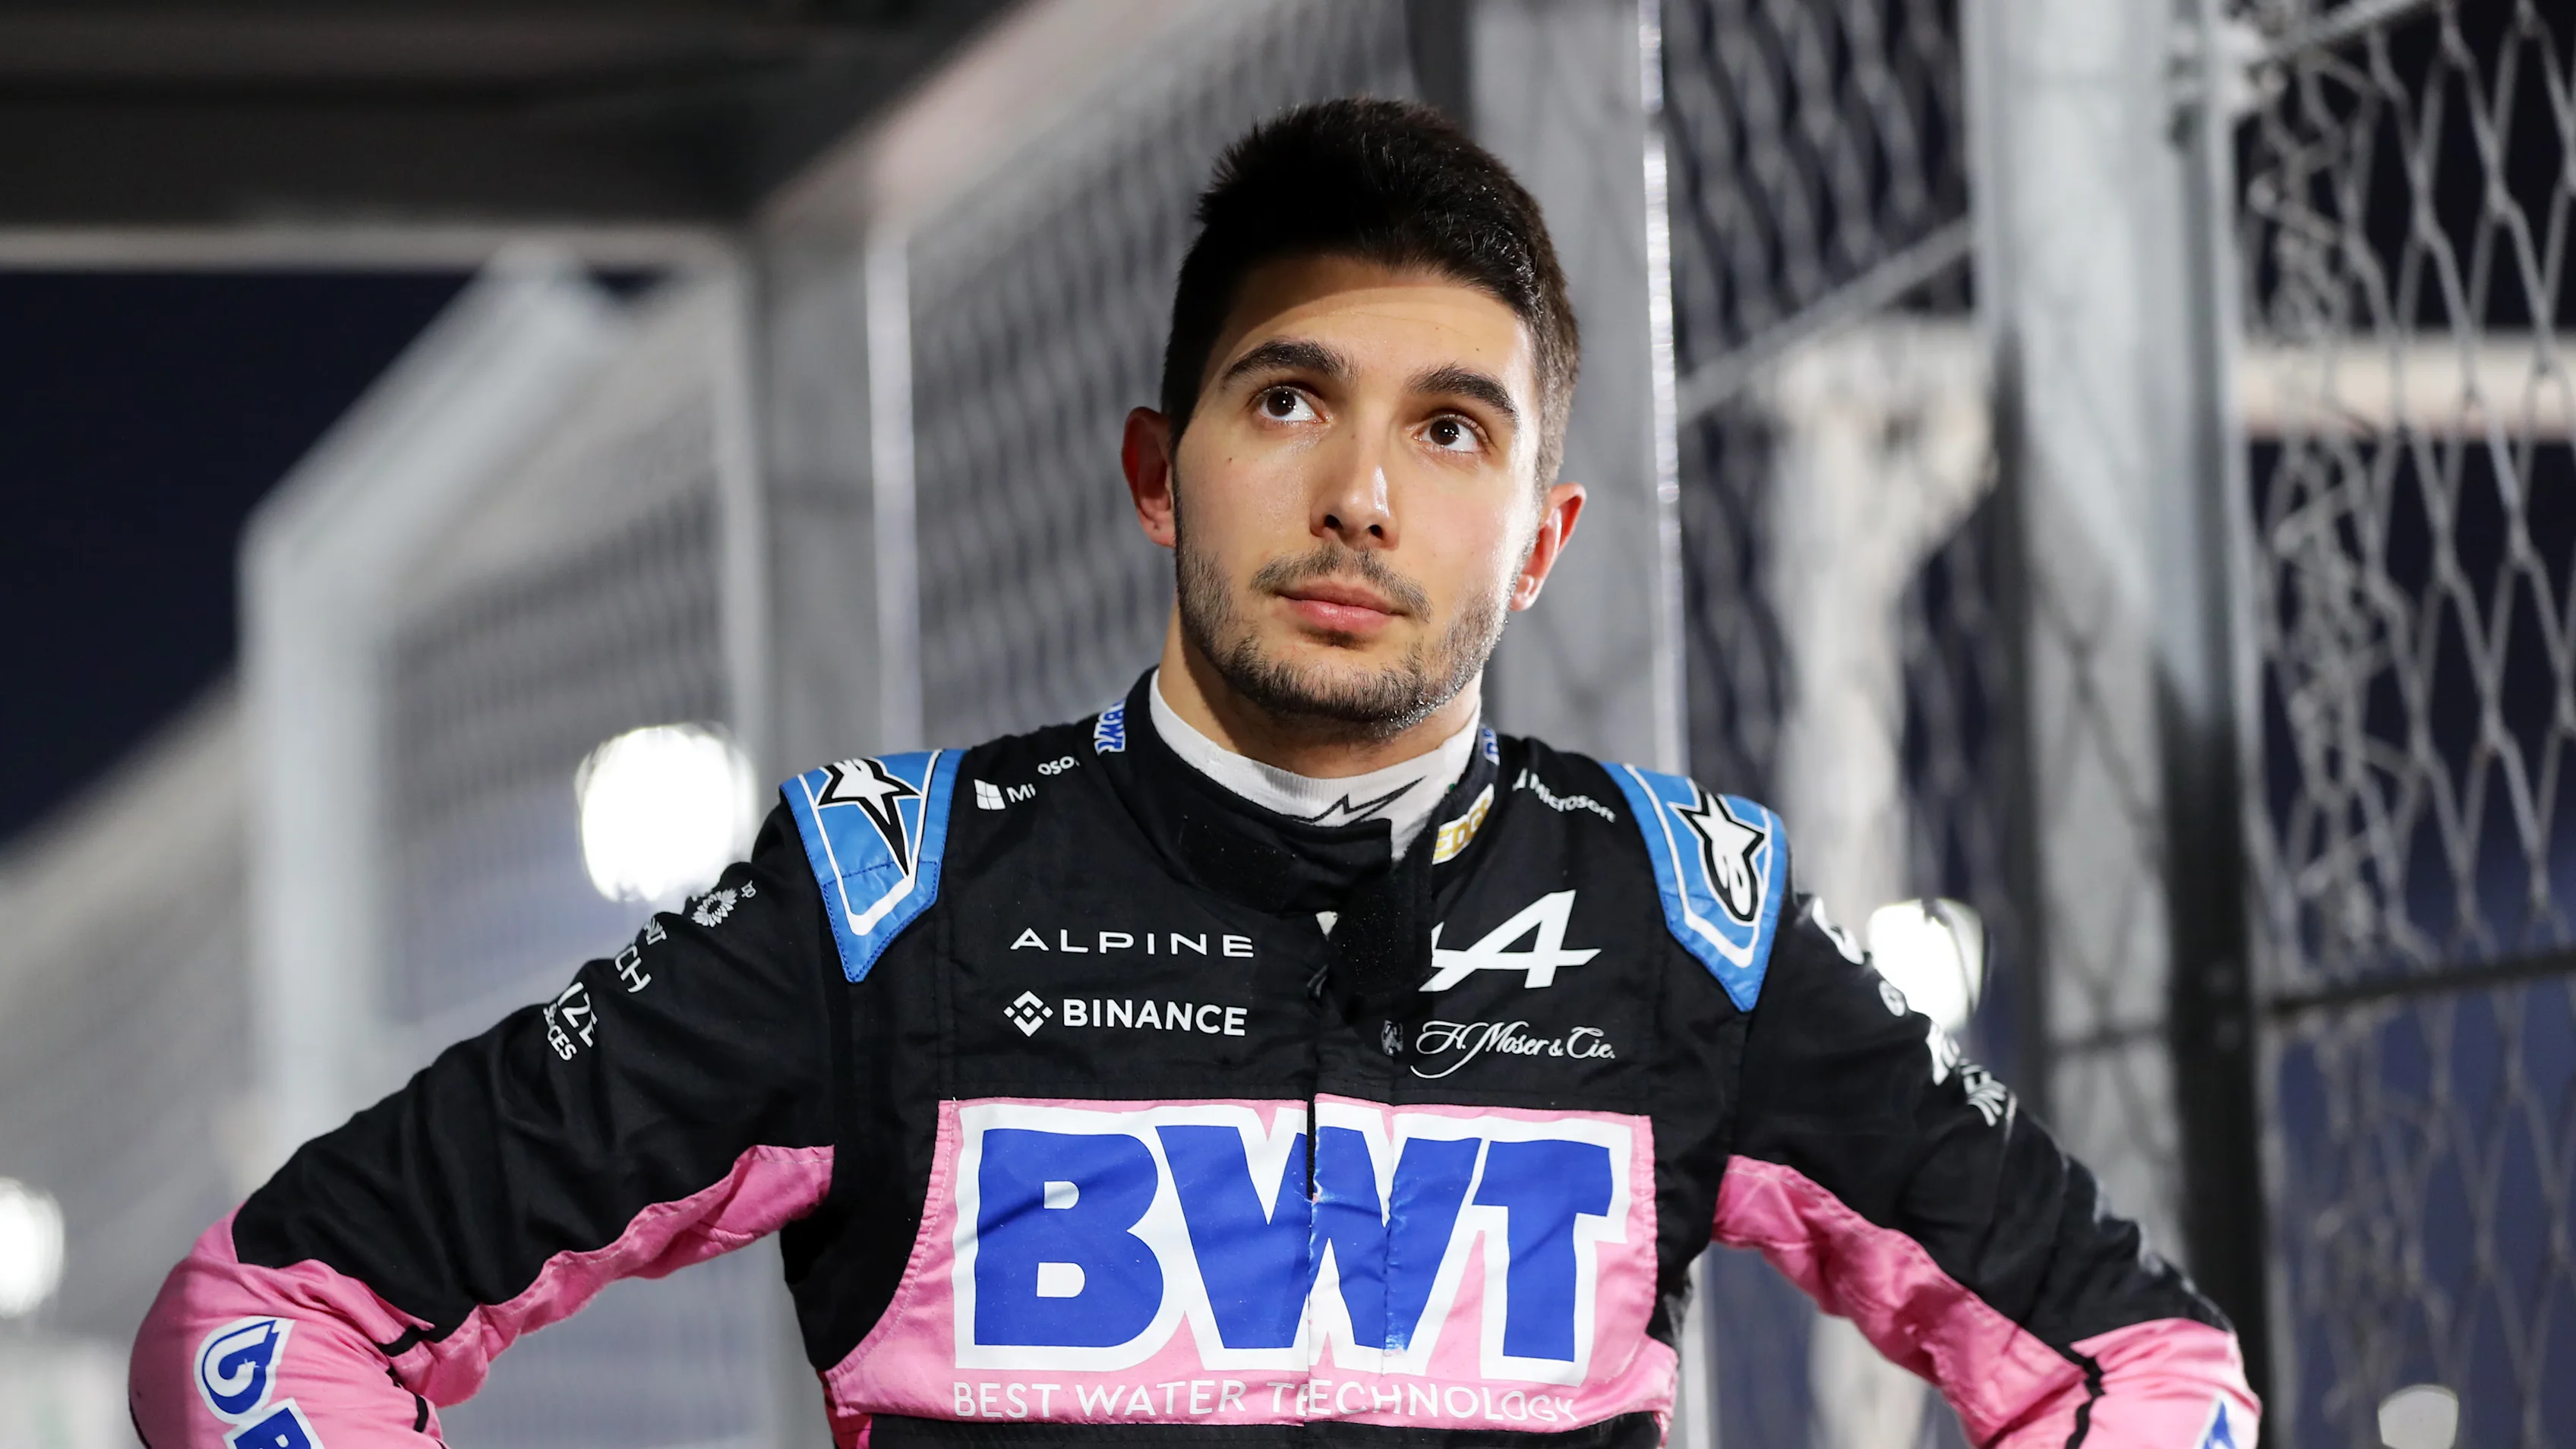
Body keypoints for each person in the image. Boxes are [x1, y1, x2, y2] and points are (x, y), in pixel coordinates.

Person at [132, 99, 2256, 1449]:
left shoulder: (1679, 925)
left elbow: (2151, 1372)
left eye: (1452, 429)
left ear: (1541, 533)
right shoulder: (893, 897)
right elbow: (266, 1319)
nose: (1358, 496)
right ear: (1160, 470)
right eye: (1288, 399)